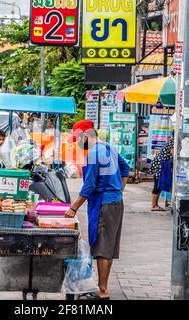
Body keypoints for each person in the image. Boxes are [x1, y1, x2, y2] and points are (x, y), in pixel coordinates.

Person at [65, 120, 130, 300]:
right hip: (116, 203)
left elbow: (89, 186)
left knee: (102, 248)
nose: (77, 144)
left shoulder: (94, 154)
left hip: (104, 204)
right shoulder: (109, 148)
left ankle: (102, 290)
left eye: (77, 140)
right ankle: (103, 287)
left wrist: (73, 208)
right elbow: (126, 168)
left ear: (85, 136)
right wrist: (118, 189)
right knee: (108, 247)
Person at [149, 140, 174, 211]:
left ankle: (155, 205)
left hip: (160, 165)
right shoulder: (173, 143)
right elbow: (173, 153)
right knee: (157, 185)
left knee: (158, 185)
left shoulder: (171, 142)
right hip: (160, 166)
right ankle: (154, 205)